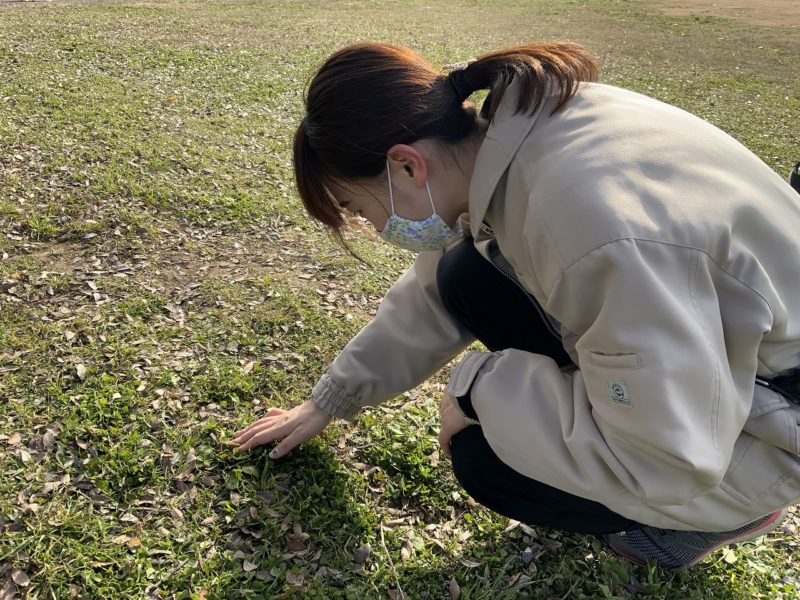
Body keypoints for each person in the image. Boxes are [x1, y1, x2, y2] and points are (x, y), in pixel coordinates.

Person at [230, 41, 800, 569]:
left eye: (359, 209)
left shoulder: (585, 225)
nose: (373, 228)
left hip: (773, 420)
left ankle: (724, 515)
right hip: (721, 353)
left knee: (484, 459)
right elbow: (431, 290)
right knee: (463, 273)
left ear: (407, 165)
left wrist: (477, 390)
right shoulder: (519, 135)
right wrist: (332, 399)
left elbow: (670, 454)